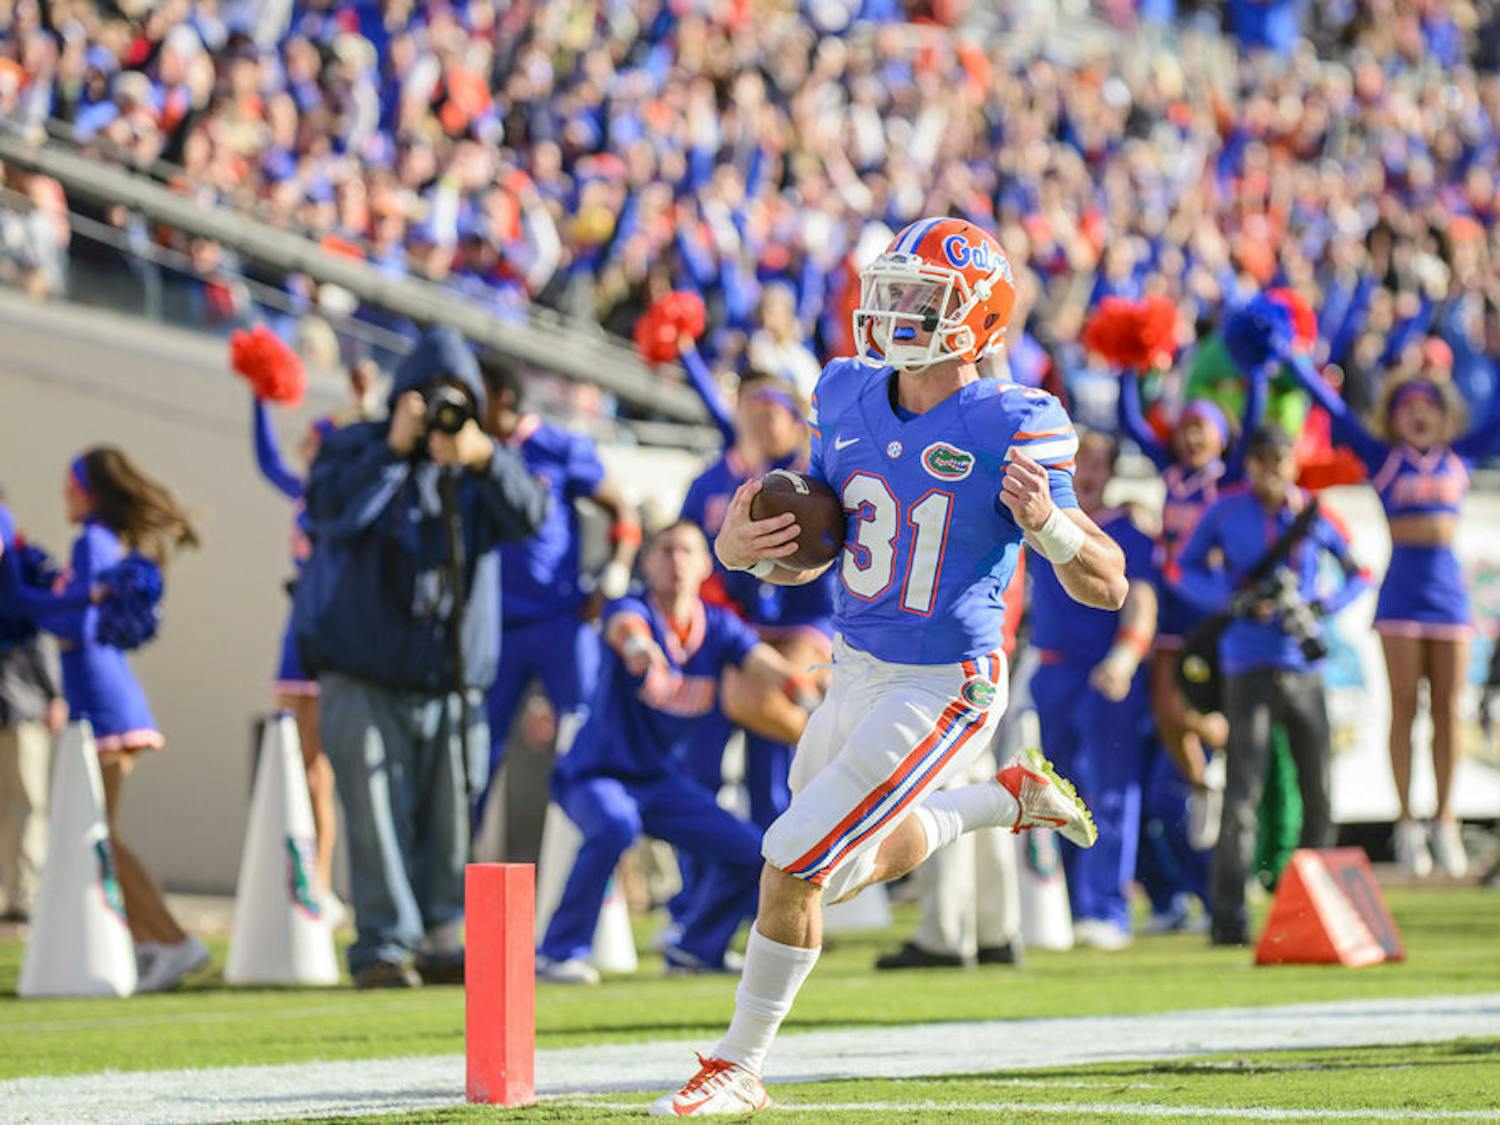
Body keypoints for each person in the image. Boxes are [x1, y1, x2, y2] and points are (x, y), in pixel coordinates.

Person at [652, 218, 1127, 1116]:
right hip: (855, 662)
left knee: (792, 859)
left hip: (948, 682)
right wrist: (742, 550)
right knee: (827, 870)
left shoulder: (1016, 419)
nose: (898, 312)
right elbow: (820, 547)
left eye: (924, 300)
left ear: (978, 319)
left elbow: (1108, 582)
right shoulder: (844, 393)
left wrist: (1053, 529)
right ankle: (1002, 799)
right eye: (895, 292)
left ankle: (738, 1065)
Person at [296, 327, 547, 989]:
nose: (441, 405)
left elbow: (533, 519)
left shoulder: (481, 461)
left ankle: (441, 935)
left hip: (454, 678)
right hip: (363, 669)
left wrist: (484, 458)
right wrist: (394, 449)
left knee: (449, 812)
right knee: (374, 812)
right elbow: (332, 516)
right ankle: (382, 943)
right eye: (429, 393)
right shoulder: (356, 446)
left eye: (457, 396)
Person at [536, 520, 818, 983]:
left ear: (706, 564)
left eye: (687, 551)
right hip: (596, 774)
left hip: (662, 784)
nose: (676, 561)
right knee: (614, 824)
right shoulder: (634, 608)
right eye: (665, 550)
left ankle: (696, 950)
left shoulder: (718, 625)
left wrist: (808, 696)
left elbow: (764, 662)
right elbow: (623, 627)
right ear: (647, 562)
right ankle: (557, 952)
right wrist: (639, 648)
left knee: (753, 851)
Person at [1287, 363, 1500, 877]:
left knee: (1450, 708)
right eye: (1409, 407)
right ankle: (1407, 823)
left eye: (1429, 406)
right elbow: (1336, 411)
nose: (1420, 414)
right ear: (1394, 418)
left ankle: (1444, 821)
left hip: (1450, 594)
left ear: (1445, 415)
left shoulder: (1460, 456)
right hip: (1402, 594)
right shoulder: (1385, 459)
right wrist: (1294, 359)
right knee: (1405, 707)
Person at [7, 448, 204, 990]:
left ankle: (172, 941)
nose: (63, 494)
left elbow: (75, 616)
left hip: (105, 705)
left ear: (88, 490)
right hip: (97, 702)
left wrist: (16, 589)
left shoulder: (92, 542)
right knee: (100, 837)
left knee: (103, 838)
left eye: (70, 484)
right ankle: (152, 941)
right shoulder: (93, 542)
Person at [1170, 422, 1370, 945]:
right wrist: (1229, 601)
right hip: (1246, 664)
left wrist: (1319, 608)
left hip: (1303, 667)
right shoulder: (1226, 510)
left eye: (1280, 460)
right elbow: (1180, 569)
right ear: (1250, 464)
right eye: (1261, 461)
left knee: (1319, 793)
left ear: (1292, 463)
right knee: (1242, 794)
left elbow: (1358, 575)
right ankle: (1229, 917)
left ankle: (1319, 914)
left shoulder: (1314, 513)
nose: (1272, 470)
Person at [473, 356, 640, 829]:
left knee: (586, 732)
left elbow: (621, 511)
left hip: (558, 618)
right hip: (494, 623)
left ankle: (605, 869)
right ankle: (455, 886)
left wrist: (614, 577)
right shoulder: (472, 449)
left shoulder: (556, 445)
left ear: (501, 396)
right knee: (478, 750)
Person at [248, 361, 378, 922]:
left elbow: (377, 450)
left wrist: (367, 404)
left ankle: (321, 883)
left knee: (318, 774)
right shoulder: (305, 496)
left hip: (328, 637)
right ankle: (297, 880)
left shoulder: (346, 505)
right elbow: (265, 461)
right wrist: (257, 396)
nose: (304, 448)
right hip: (296, 634)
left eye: (315, 442)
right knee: (293, 768)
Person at [1028, 431, 1163, 950]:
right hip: (1052, 672)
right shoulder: (1040, 520)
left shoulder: (1127, 528)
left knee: (1109, 791)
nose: (1088, 473)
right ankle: (1058, 908)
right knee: (1053, 794)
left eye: (1098, 464)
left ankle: (1106, 908)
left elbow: (1142, 600)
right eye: (1080, 461)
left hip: (1102, 674)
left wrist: (1125, 656)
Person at [0, 500, 66, 925]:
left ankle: (24, 896)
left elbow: (40, 638)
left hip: (21, 708)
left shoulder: (22, 576)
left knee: (27, 801)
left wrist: (54, 694)